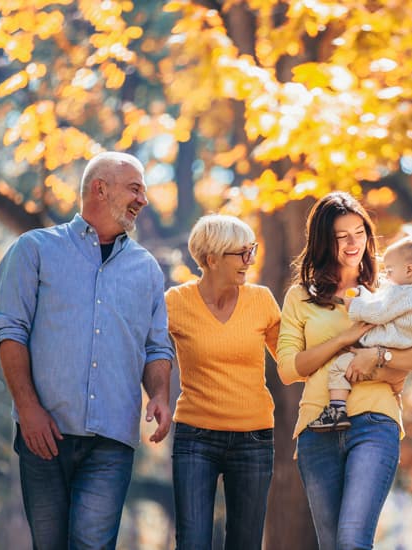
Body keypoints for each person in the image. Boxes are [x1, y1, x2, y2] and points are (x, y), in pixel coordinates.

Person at [0, 151, 174, 549]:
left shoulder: (146, 269)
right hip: (44, 434)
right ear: (100, 188)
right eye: (135, 189)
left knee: (92, 545)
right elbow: (10, 331)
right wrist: (28, 410)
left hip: (111, 439)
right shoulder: (34, 249)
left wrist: (159, 393)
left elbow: (156, 346)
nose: (143, 199)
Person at [277, 192, 412, 549]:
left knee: (352, 542)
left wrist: (379, 356)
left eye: (359, 232)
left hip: (373, 423)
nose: (353, 243)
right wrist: (344, 339)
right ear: (324, 241)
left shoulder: (390, 288)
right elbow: (289, 369)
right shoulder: (300, 297)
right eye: (341, 236)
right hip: (316, 428)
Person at [165, 214, 280, 550]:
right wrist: (155, 396)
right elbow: (148, 351)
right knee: (193, 541)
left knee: (246, 543)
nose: (251, 260)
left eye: (252, 250)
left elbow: (292, 363)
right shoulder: (176, 302)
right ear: (212, 259)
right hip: (195, 437)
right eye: (241, 253)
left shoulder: (261, 300)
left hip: (254, 439)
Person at [308, 235, 412, 432]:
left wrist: (354, 305)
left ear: (409, 269)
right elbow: (381, 302)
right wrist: (364, 294)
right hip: (402, 345)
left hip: (390, 342)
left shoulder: (400, 293)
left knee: (338, 367)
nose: (386, 275)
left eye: (390, 270)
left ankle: (336, 411)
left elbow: (378, 312)